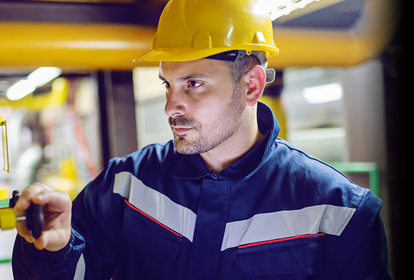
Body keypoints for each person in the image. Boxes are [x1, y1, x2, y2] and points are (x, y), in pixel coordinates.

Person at [12, 0, 393, 279]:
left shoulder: (340, 213)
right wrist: (56, 249)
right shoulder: (125, 184)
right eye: (168, 85)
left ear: (252, 86)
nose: (170, 107)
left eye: (194, 84)